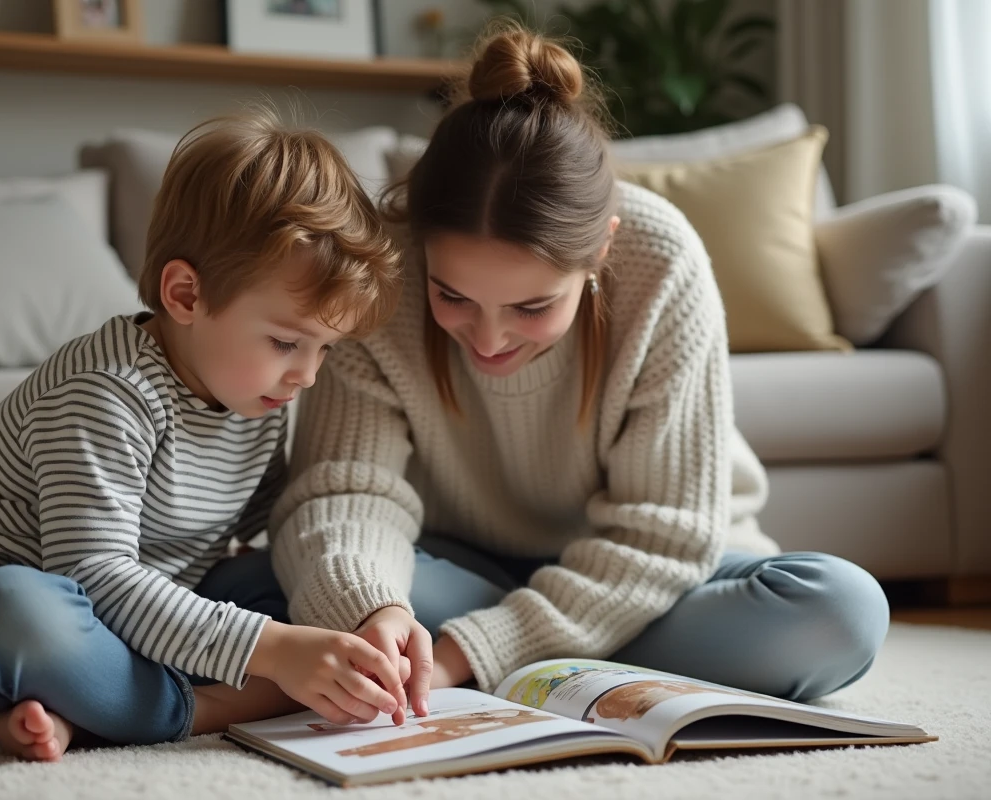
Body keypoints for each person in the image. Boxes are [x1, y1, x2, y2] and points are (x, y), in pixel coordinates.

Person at [267, 24, 890, 719]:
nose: (490, 338)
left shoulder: (662, 261)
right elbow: (345, 491)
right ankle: (564, 668)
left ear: (602, 250)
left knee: (839, 611)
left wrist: (457, 656)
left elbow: (663, 535)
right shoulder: (383, 269)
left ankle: (516, 662)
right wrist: (372, 612)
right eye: (453, 297)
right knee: (259, 584)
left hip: (653, 580)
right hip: (457, 571)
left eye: (532, 305)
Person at [0, 110, 407, 762]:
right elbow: (96, 578)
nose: (306, 373)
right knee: (19, 605)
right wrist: (271, 650)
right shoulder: (105, 390)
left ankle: (88, 707)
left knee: (291, 585)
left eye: (324, 348)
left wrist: (345, 617)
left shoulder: (259, 393)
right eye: (285, 341)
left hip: (130, 626)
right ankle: (188, 711)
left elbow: (270, 535)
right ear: (185, 295)